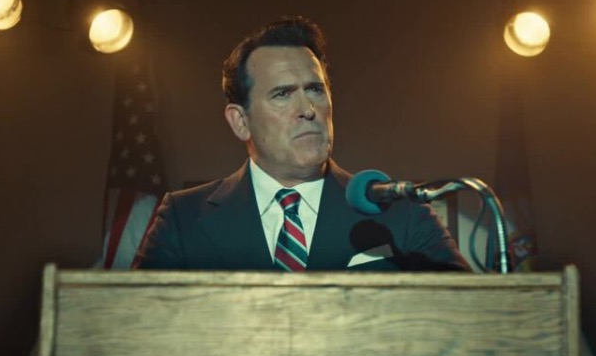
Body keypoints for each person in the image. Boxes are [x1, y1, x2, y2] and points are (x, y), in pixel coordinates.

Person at [134, 16, 469, 272]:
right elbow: (133, 329)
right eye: (282, 94)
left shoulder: (403, 213)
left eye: (315, 90)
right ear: (240, 121)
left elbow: (472, 318)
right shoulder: (182, 218)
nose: (308, 110)